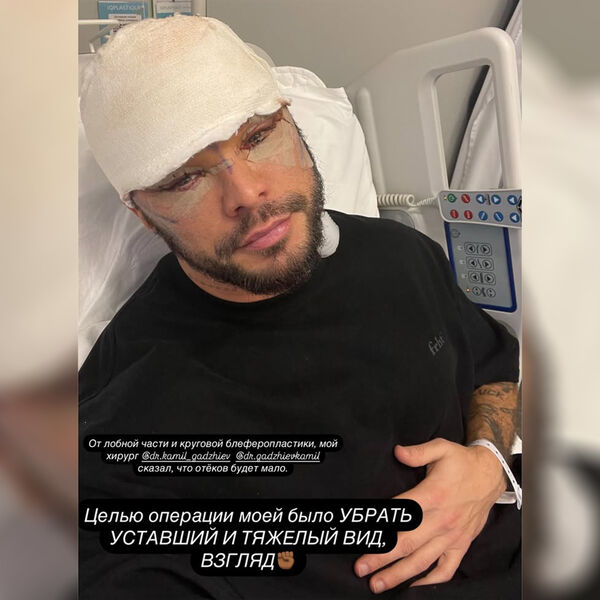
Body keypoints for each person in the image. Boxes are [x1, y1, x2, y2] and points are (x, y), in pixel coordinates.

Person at [79, 15, 521, 599]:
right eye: (184, 178)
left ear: (291, 119)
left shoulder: (402, 255)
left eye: (258, 136)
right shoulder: (128, 402)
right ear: (141, 213)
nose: (247, 194)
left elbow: (496, 371)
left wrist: (487, 465)